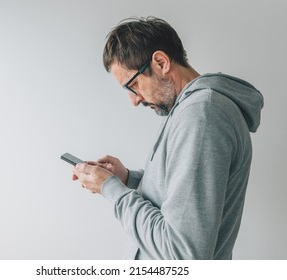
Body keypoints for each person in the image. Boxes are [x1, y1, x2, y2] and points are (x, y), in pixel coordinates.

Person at [72, 16, 264, 260]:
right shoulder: (189, 110)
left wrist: (111, 189)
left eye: (133, 86)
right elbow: (176, 197)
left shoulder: (202, 115)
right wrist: (128, 180)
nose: (135, 100)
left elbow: (182, 254)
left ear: (161, 62)